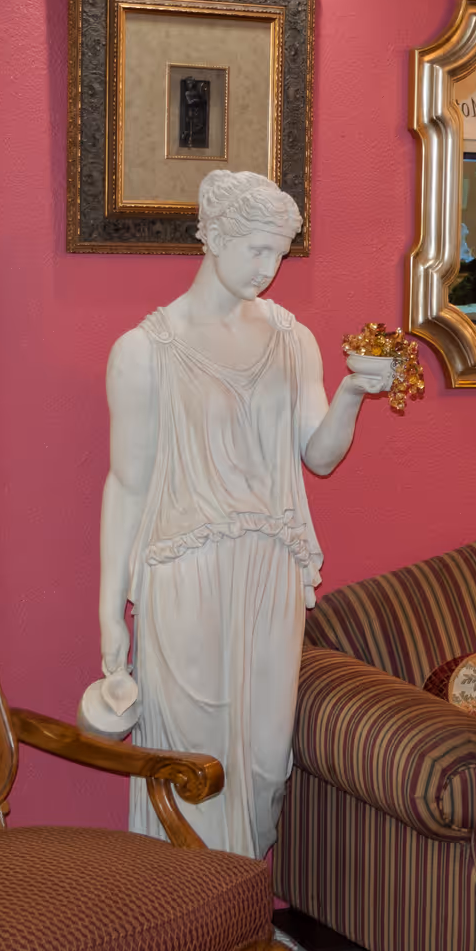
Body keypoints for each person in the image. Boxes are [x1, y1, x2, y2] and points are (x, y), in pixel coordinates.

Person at [95, 170, 392, 858]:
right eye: (257, 249)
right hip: (185, 573)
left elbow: (318, 457)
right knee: (190, 760)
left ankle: (239, 924)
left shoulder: (293, 341)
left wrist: (350, 392)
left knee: (263, 766)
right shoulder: (145, 352)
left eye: (279, 254)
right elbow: (127, 485)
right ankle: (181, 934)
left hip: (270, 573)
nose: (269, 268)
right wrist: (110, 610)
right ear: (216, 238)